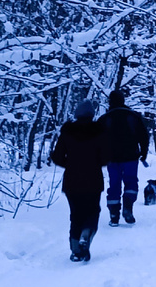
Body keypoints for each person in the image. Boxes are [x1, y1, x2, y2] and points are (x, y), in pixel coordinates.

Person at [49, 99, 109, 262]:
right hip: (93, 179)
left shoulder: (67, 132)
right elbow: (105, 158)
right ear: (92, 114)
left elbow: (56, 157)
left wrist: (71, 164)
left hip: (72, 180)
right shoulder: (99, 132)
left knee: (76, 214)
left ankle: (75, 250)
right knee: (92, 211)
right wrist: (94, 163)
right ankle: (86, 235)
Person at [98, 88, 150, 226]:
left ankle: (114, 215)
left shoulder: (104, 119)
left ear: (110, 101)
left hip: (111, 159)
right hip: (131, 157)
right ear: (123, 100)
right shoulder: (133, 116)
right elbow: (144, 136)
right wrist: (143, 153)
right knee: (131, 182)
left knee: (114, 184)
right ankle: (128, 208)